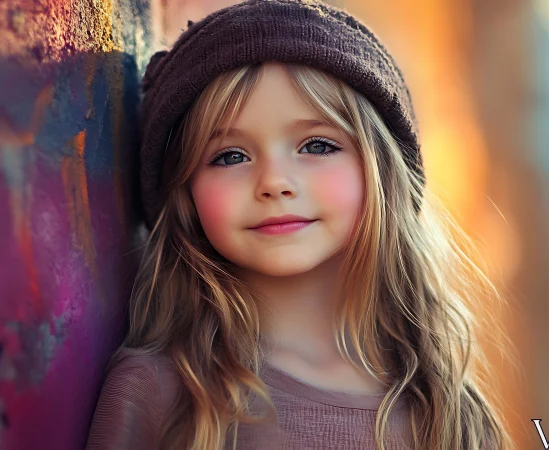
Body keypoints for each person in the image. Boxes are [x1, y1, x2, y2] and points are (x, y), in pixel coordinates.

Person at [85, 1, 511, 449]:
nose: (274, 182)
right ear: (185, 193)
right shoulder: (158, 394)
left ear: (382, 172)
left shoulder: (445, 405)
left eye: (317, 145)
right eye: (230, 156)